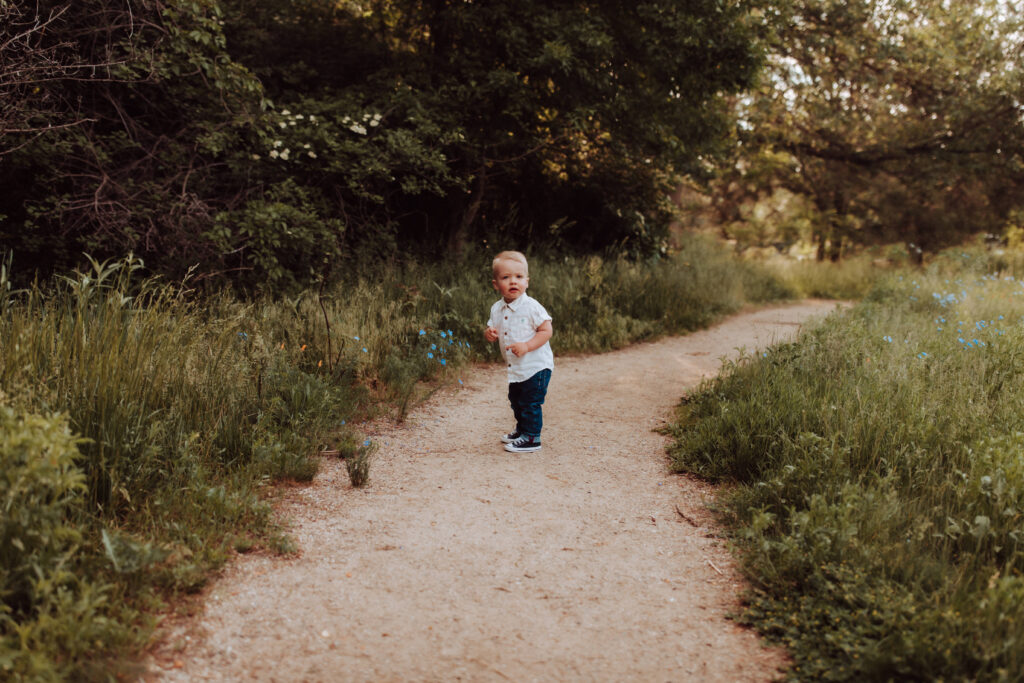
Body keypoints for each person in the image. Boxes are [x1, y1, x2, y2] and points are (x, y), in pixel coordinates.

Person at [484, 251, 554, 453]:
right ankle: (523, 430)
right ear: (496, 284)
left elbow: (546, 330)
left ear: (527, 282)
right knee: (516, 400)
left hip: (536, 366)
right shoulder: (496, 308)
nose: (513, 282)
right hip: (516, 368)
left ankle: (533, 437)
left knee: (530, 402)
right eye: (506, 277)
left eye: (519, 277)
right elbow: (492, 326)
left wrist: (527, 346)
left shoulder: (532, 307)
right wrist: (489, 333)